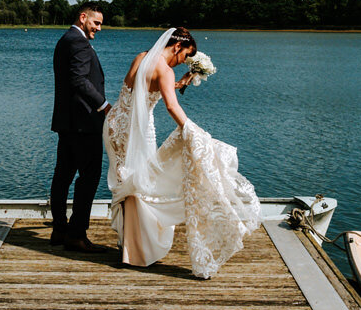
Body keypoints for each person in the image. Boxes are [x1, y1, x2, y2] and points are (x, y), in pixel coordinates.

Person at [103, 27, 261, 278]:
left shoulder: (141, 57)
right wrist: (191, 129)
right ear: (177, 47)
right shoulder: (164, 70)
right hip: (139, 132)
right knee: (140, 185)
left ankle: (128, 247)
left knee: (128, 181)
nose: (181, 62)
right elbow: (171, 106)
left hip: (115, 127)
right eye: (183, 56)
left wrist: (177, 83)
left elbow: (143, 89)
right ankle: (135, 252)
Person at [50, 2, 112, 253]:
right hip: (84, 123)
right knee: (89, 177)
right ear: (83, 17)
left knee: (63, 176)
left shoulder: (65, 39)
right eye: (96, 23)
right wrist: (105, 105)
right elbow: (78, 80)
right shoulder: (78, 42)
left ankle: (59, 229)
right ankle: (76, 234)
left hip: (67, 122)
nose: (98, 28)